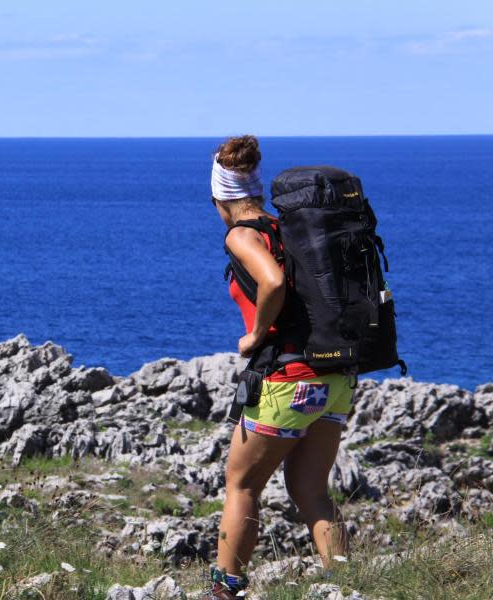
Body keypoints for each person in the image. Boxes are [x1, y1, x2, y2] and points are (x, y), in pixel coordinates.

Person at [202, 136, 351, 600]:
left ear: (220, 198)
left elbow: (271, 281)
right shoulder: (287, 227)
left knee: (241, 483)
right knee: (311, 490)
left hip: (288, 381)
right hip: (335, 377)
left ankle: (225, 589)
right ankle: (344, 584)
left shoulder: (241, 234)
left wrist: (254, 334)